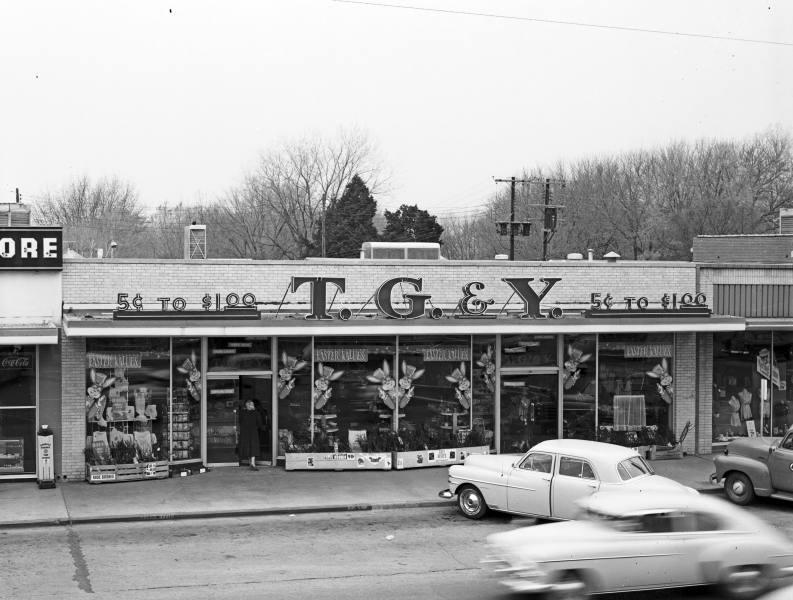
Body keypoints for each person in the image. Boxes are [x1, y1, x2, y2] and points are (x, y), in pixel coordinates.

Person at [239, 399, 264, 470]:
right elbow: (259, 423)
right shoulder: (256, 413)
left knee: (247, 446)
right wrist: (261, 428)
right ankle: (252, 464)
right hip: (253, 432)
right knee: (253, 447)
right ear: (250, 405)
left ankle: (250, 463)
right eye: (252, 405)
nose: (253, 406)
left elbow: (240, 421)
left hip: (244, 432)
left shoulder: (242, 413)